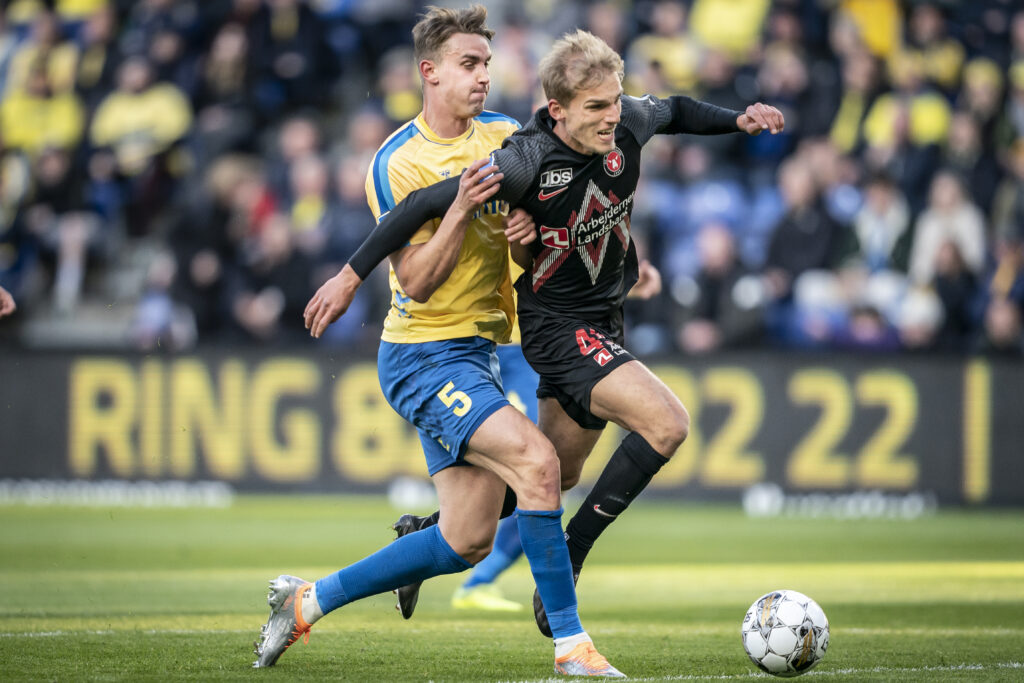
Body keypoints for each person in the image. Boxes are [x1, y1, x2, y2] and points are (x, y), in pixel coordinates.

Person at [304, 29, 783, 637]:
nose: (613, 116)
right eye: (596, 107)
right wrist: (349, 276)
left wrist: (739, 119)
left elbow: (677, 111)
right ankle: (571, 568)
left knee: (550, 475)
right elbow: (422, 203)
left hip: (597, 316)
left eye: (615, 102)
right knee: (667, 423)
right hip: (551, 328)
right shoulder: (523, 156)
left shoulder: (624, 120)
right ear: (557, 110)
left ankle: (425, 536)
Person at [257, 8, 624, 678]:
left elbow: (545, 221)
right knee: (540, 466)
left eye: (486, 63)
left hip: (481, 351)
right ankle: (572, 646)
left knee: (464, 539)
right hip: (424, 355)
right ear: (428, 72)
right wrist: (458, 208)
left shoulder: (507, 135)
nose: (484, 76)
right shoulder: (396, 162)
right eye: (468, 63)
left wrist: (528, 229)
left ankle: (305, 601)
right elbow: (419, 282)